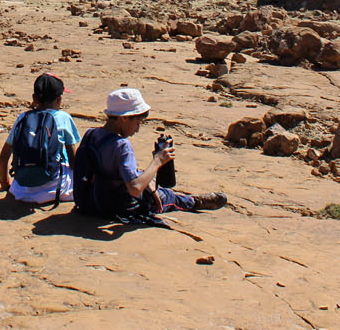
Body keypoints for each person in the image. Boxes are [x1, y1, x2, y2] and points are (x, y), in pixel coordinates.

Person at [72, 87, 225, 226]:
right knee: (167, 196)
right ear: (124, 118)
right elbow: (135, 188)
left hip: (89, 202)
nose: (137, 129)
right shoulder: (121, 145)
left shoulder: (92, 134)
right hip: (115, 206)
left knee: (151, 184)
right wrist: (157, 161)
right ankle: (193, 202)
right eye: (138, 122)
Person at [0, 73, 80, 204]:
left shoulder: (22, 119)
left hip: (21, 190)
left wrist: (5, 184)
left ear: (34, 98)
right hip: (55, 190)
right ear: (59, 100)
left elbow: (3, 157)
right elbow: (73, 162)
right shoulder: (63, 118)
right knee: (64, 154)